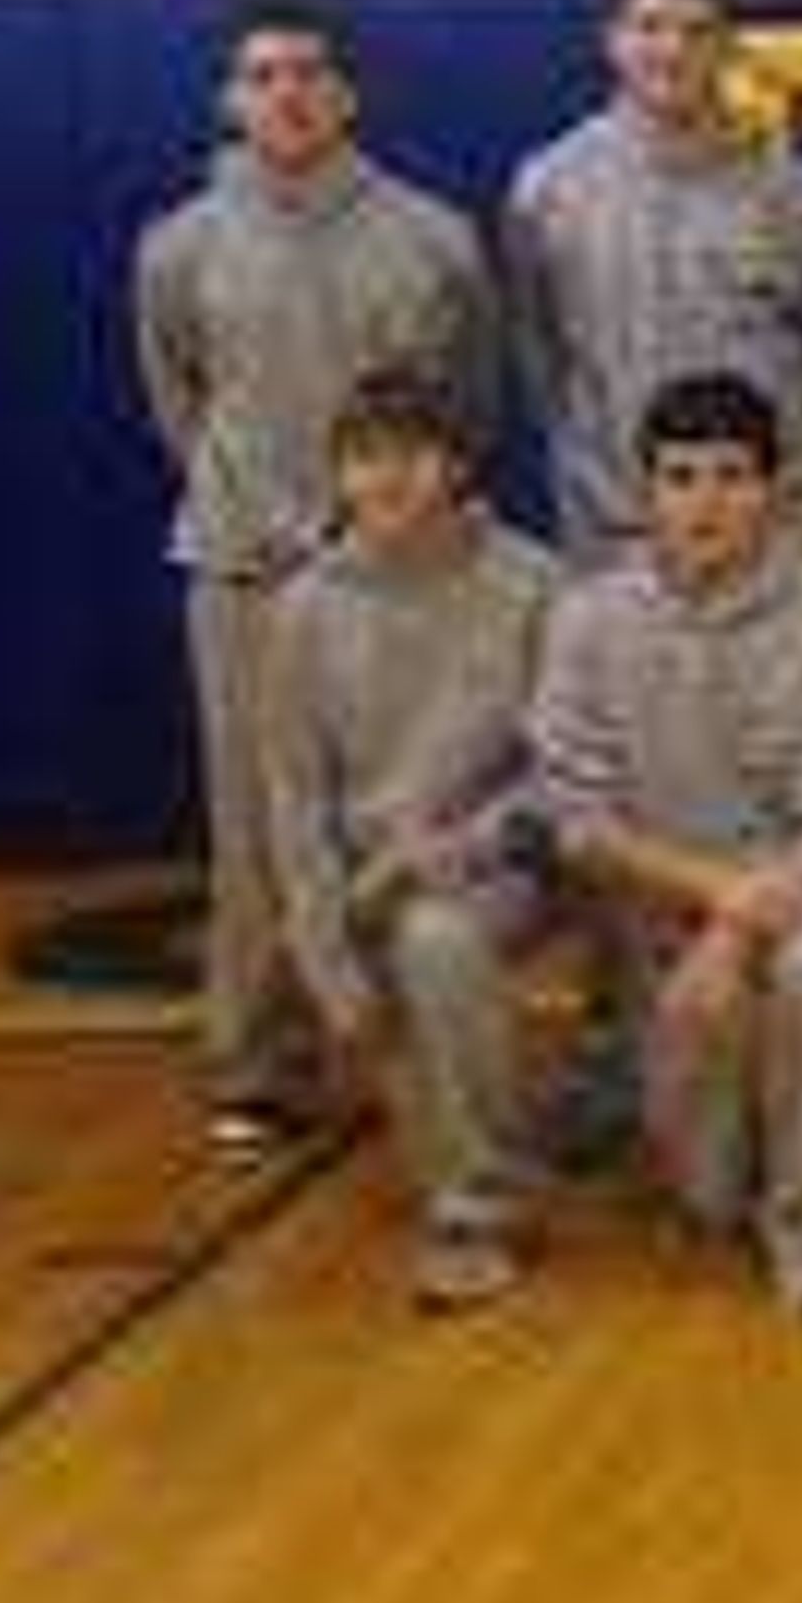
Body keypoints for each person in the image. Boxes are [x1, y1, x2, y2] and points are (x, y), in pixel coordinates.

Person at [133, 0, 501, 1150]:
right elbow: (178, 398)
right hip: (244, 576)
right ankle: (255, 1064)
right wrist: (263, 517)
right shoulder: (179, 243)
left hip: (404, 577)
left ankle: (406, 1048)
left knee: (404, 812)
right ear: (231, 102)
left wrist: (386, 524)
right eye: (261, 75)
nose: (286, 93)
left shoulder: (434, 236)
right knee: (256, 825)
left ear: (347, 95)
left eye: (308, 72)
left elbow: (471, 399)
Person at [530, 372, 802, 1318]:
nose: (705, 501)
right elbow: (575, 816)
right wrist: (714, 905)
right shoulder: (587, 620)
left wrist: (735, 931)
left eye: (732, 476)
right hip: (658, 903)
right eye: (680, 476)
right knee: (708, 1197)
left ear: (773, 491)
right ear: (644, 491)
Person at [258, 369, 562, 1311]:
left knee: (438, 937)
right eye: (362, 458)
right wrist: (326, 963)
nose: (386, 479)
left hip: (509, 861)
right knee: (388, 984)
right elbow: (294, 802)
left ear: (459, 465)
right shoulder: (303, 610)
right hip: (367, 887)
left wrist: (461, 845)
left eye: (411, 455)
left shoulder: (533, 583)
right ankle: (477, 1165)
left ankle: (483, 1208)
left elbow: (568, 772)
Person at [498, 0, 802, 566]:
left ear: (728, 50)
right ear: (613, 43)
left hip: (771, 533)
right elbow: (541, 358)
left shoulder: (799, 197)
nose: (672, 49)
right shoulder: (549, 189)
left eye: (697, 31)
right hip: (614, 530)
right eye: (650, 27)